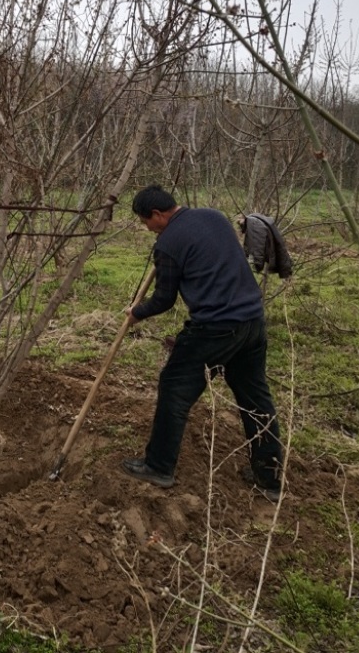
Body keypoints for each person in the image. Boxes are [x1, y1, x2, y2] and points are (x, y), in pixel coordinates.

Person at [121, 185, 284, 501]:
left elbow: (165, 299)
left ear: (156, 215)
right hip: (252, 320)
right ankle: (269, 479)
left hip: (215, 327)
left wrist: (136, 312)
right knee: (255, 398)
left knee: (174, 388)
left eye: (146, 223)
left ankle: (158, 466)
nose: (147, 229)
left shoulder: (168, 243)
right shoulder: (213, 216)